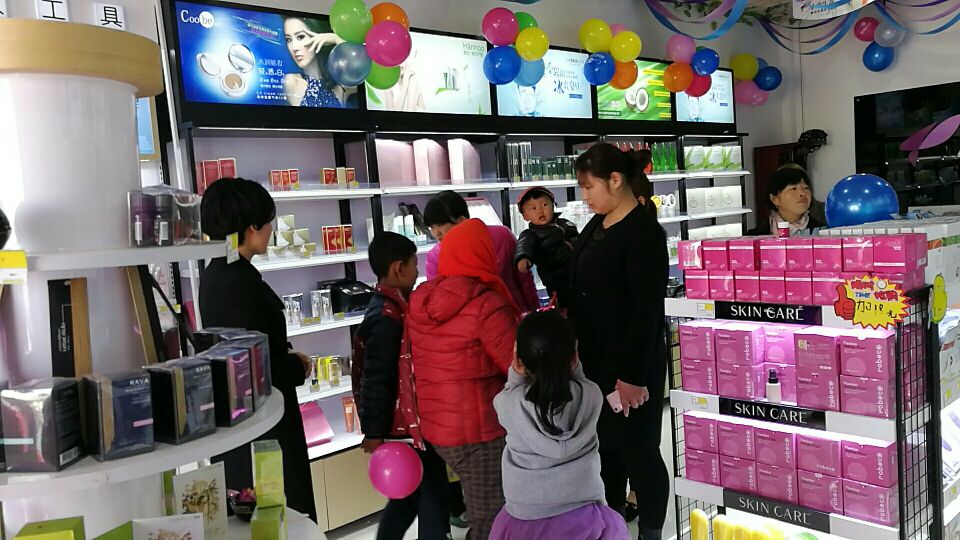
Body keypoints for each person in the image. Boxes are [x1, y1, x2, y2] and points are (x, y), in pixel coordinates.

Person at [198, 178, 316, 521]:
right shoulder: (238, 281)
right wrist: (297, 366)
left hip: (248, 426)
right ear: (252, 227)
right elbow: (248, 368)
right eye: (268, 222)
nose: (271, 230)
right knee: (282, 517)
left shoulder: (221, 272)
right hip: (262, 431)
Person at [568, 143, 670, 540]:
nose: (584, 195)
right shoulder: (598, 223)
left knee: (640, 452)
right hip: (596, 364)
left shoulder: (643, 232)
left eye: (588, 186)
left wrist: (632, 376)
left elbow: (647, 311)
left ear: (615, 180)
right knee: (607, 450)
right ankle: (611, 525)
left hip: (630, 366)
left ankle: (651, 532)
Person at [407, 218, 520, 540]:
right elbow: (517, 366)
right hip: (479, 429)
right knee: (491, 517)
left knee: (479, 509)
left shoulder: (422, 300)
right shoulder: (486, 303)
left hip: (437, 428)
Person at [489, 310, 629, 540]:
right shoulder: (591, 395)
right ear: (574, 357)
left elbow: (510, 391)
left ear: (518, 359)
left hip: (524, 519)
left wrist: (515, 374)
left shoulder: (508, 404)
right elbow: (580, 381)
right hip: (587, 518)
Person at [352, 232, 449, 540]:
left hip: (405, 425)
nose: (418, 271)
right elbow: (377, 378)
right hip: (404, 426)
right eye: (414, 265)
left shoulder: (391, 308)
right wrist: (374, 431)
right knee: (432, 493)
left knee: (408, 497)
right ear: (398, 269)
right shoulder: (387, 317)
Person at [423, 191, 539, 312]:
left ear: (462, 220)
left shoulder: (501, 237)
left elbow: (524, 279)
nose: (436, 233)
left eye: (440, 225)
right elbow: (437, 299)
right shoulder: (435, 256)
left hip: (513, 313)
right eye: (431, 227)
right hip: (471, 320)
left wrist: (534, 310)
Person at [513, 187, 579, 305]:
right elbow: (524, 245)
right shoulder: (531, 234)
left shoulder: (564, 223)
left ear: (553, 206)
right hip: (556, 277)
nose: (540, 210)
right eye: (533, 208)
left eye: (545, 205)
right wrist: (523, 258)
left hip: (578, 269)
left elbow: (577, 238)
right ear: (525, 216)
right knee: (564, 303)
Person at [283, 17, 354, 108]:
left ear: (319, 37)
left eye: (300, 37)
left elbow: (363, 61)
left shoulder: (341, 83)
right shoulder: (292, 82)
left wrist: (334, 38)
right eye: (289, 39)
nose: (294, 47)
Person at [747, 164, 826, 236]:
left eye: (806, 188)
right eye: (793, 188)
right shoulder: (755, 236)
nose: (802, 193)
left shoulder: (823, 232)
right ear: (774, 199)